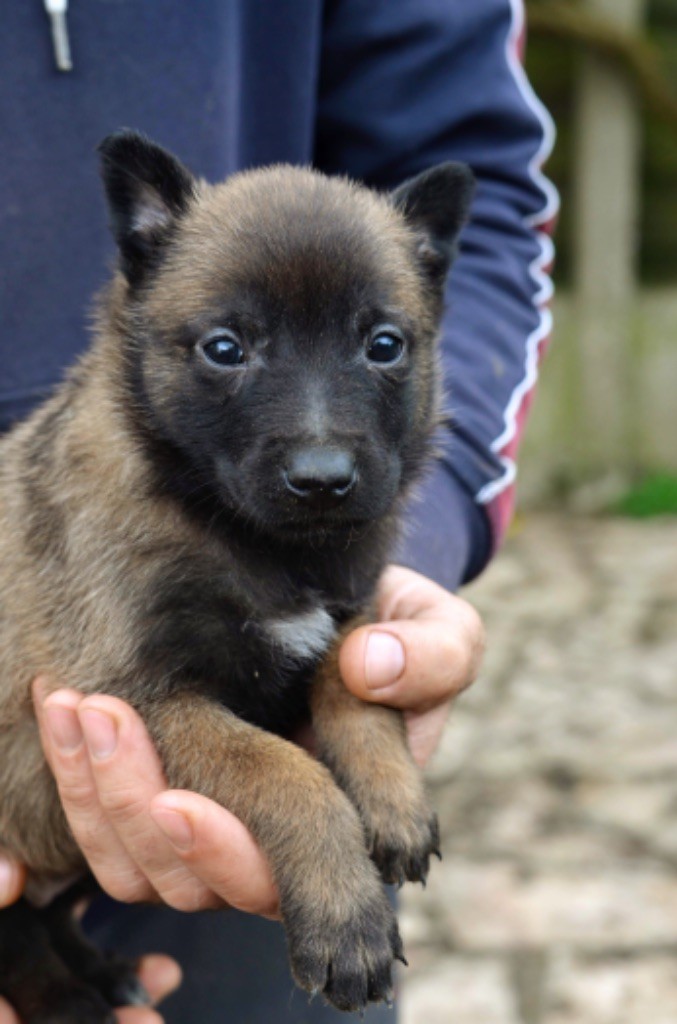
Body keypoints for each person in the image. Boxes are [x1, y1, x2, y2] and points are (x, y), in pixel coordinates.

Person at [0, 0, 556, 1020]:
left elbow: (490, 188)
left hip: (243, 894)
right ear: (140, 248)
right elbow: (143, 704)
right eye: (228, 350)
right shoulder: (116, 503)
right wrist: (310, 806)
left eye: (378, 347)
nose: (318, 441)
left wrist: (392, 617)